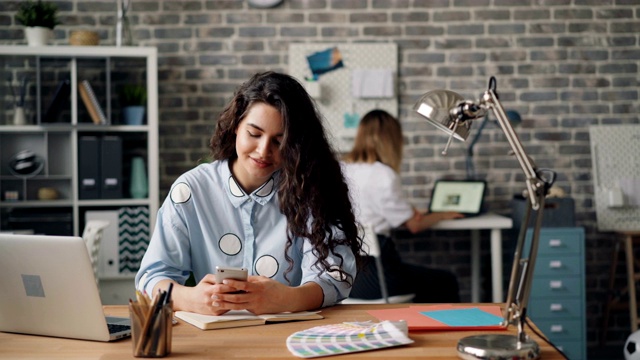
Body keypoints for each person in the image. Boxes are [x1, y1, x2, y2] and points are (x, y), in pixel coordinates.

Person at [136, 71, 362, 316]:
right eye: (254, 134)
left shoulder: (310, 188)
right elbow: (152, 277)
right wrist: (190, 298)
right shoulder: (191, 190)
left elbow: (334, 278)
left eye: (280, 141)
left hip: (291, 338)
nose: (264, 151)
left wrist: (288, 299)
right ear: (235, 127)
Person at [342, 109, 463, 303]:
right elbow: (414, 226)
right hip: (378, 279)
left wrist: (409, 212)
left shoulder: (342, 169)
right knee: (445, 281)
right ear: (392, 140)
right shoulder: (383, 174)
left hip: (346, 279)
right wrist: (441, 215)